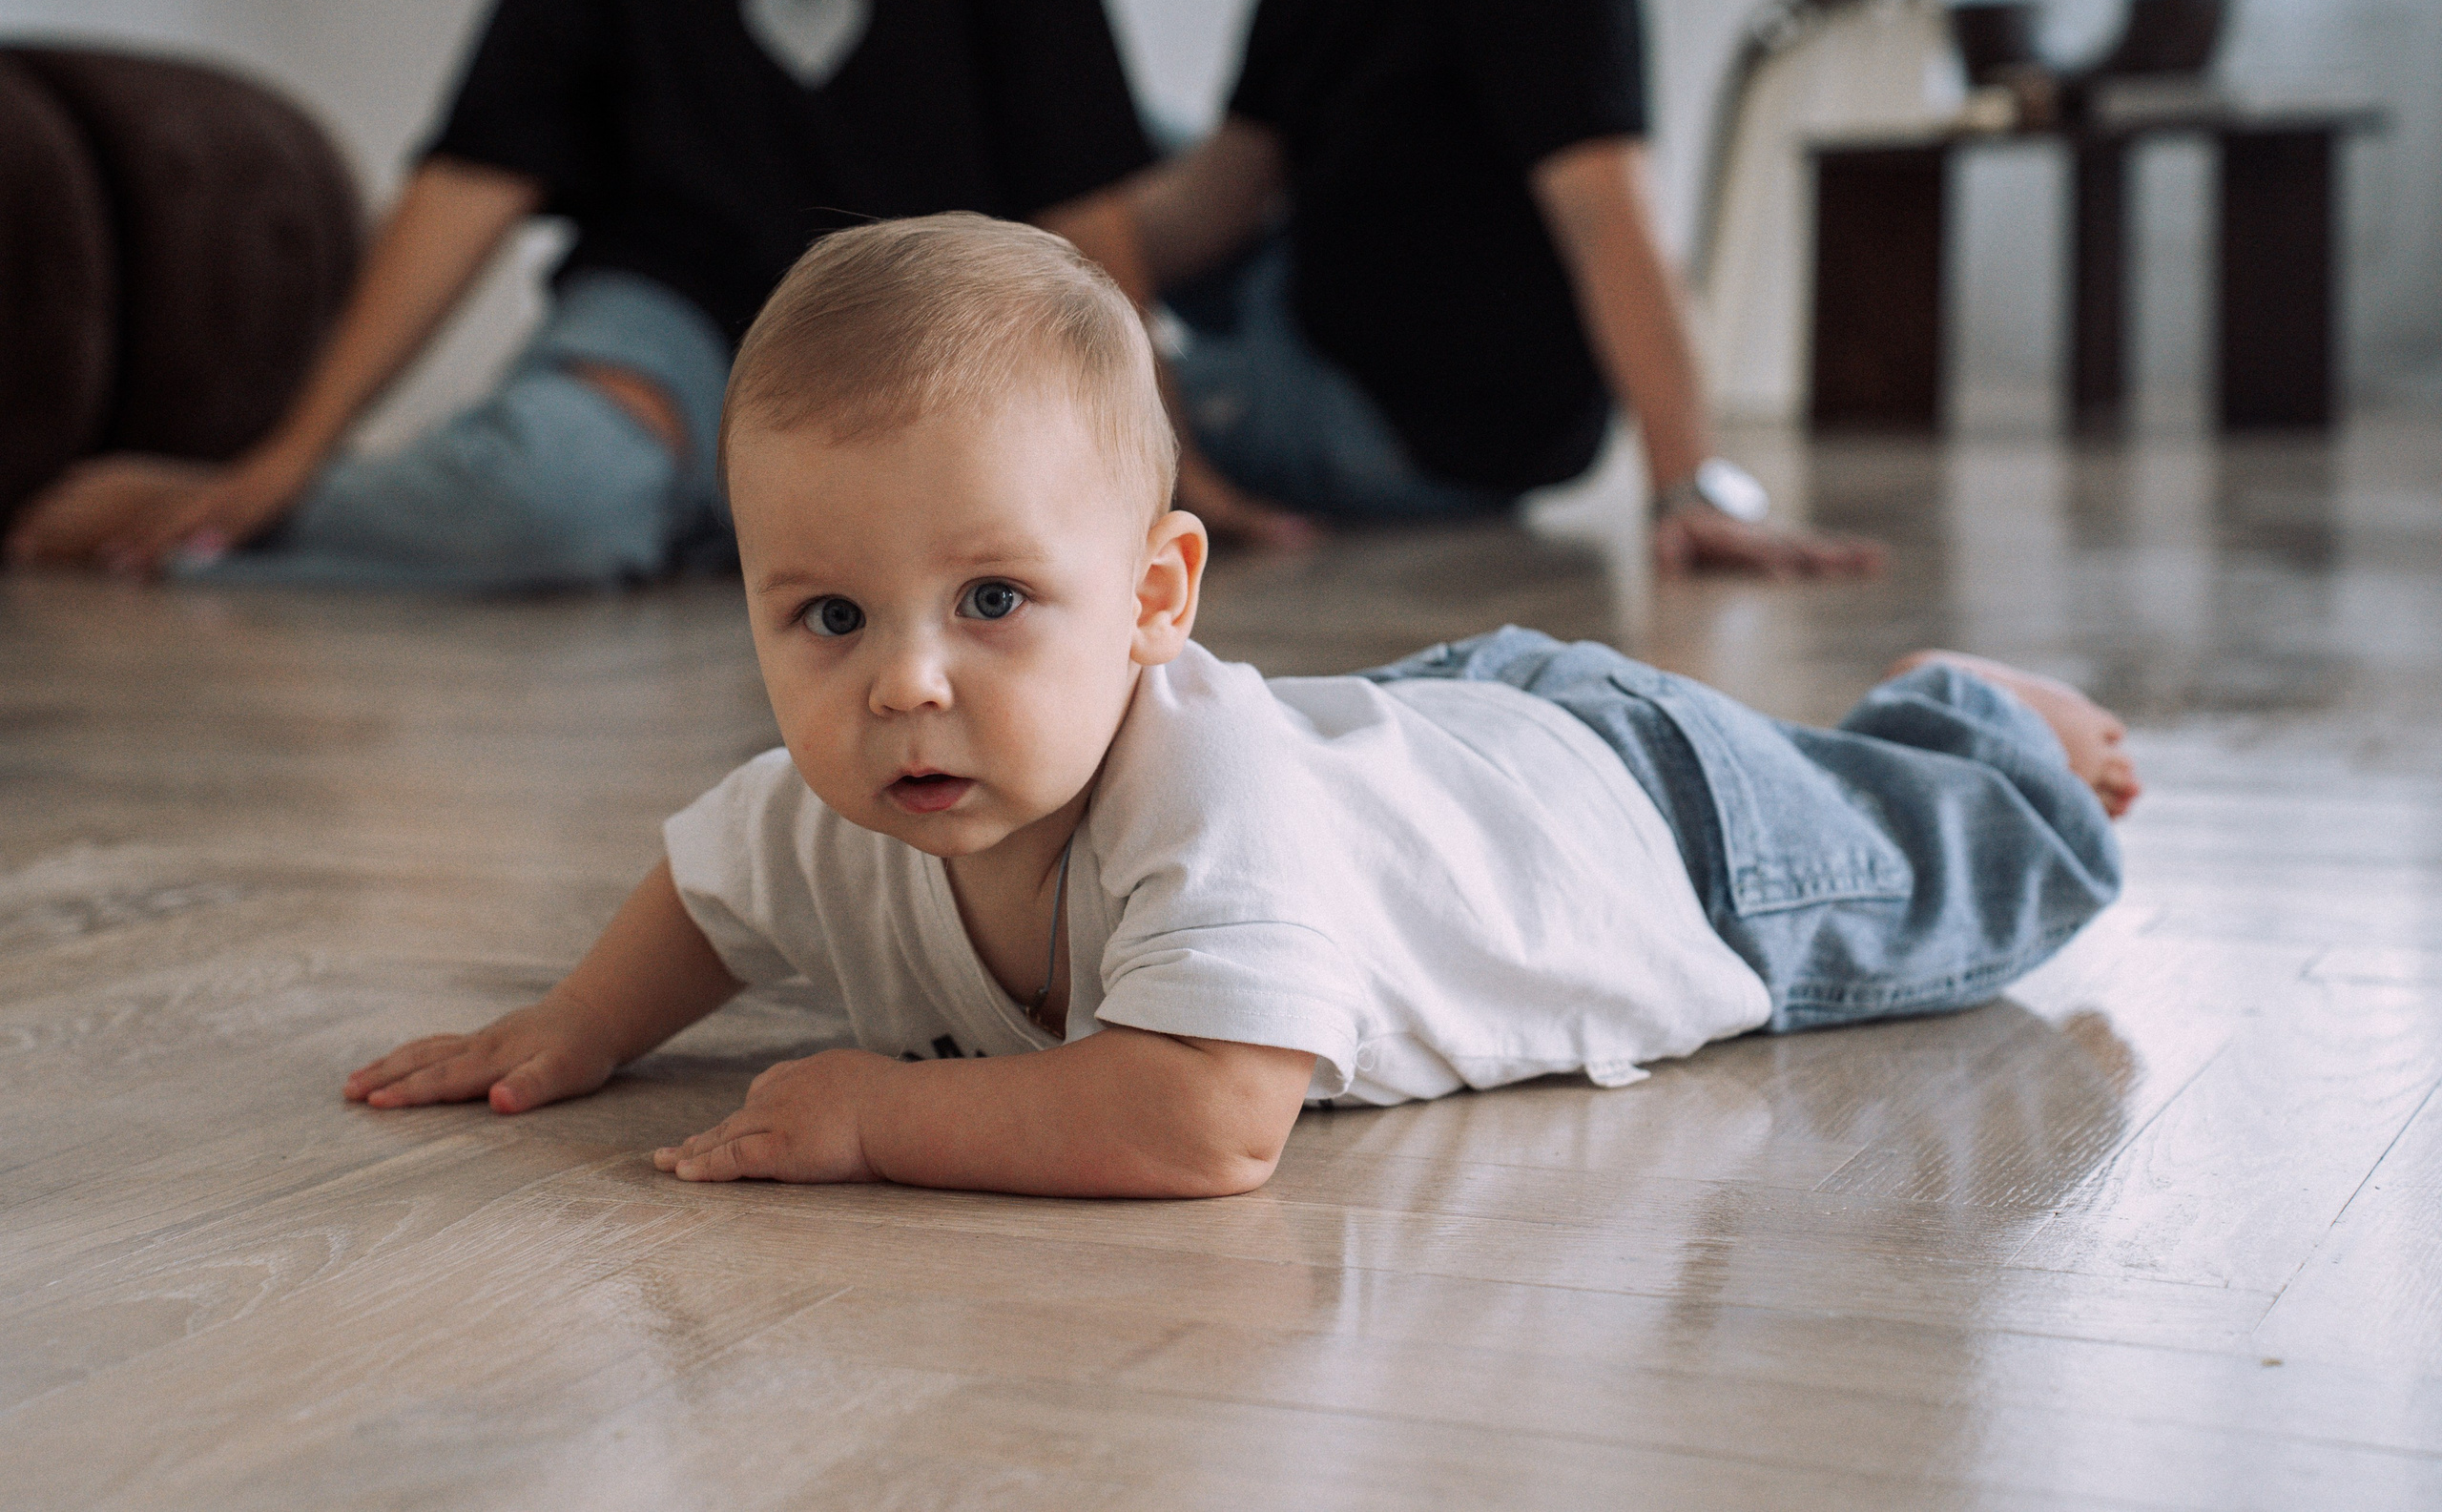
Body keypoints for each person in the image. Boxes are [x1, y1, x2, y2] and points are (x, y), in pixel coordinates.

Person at [341, 215, 2135, 1196]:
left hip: (1654, 834)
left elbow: (1202, 1123)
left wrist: (879, 1113)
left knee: (1964, 876)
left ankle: (1974, 716)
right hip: (1424, 747)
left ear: (1153, 601)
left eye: (991, 601)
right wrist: (583, 1023)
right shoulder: (853, 789)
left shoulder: (1203, 810)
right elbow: (713, 885)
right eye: (825, 613)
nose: (905, 679)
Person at [5, 0, 1294, 586]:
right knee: (550, 497)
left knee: (1008, 518)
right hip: (675, 317)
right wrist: (286, 459)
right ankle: (220, 526)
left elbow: (1078, 205)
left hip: (919, 326)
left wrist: (1166, 449)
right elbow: (474, 174)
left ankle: (731, 518)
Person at [1123, 0, 1883, 575]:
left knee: (1051, 425)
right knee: (1081, 149)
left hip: (1415, 423)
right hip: (1307, 288)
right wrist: (1062, 227)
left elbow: (1609, 219)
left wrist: (1691, 484)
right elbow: (1226, 188)